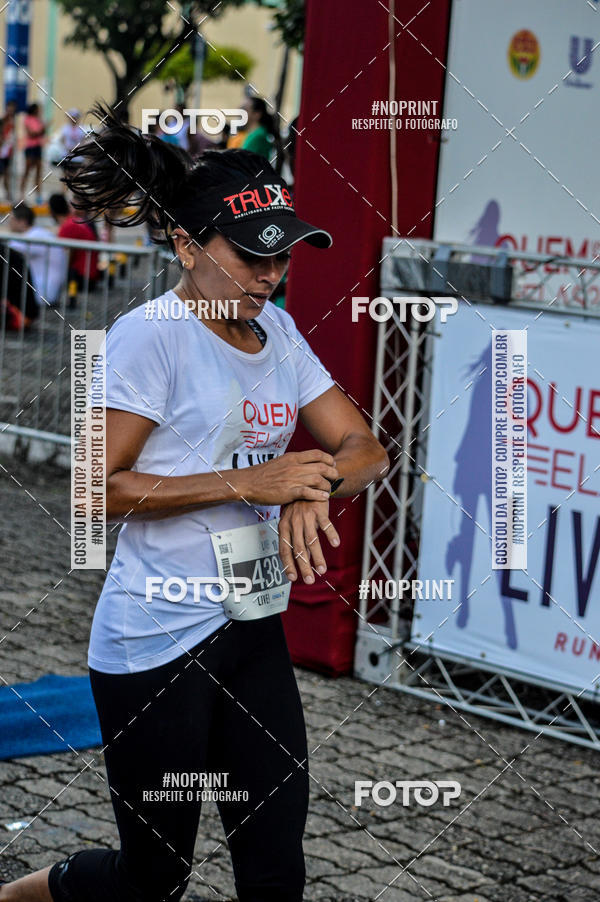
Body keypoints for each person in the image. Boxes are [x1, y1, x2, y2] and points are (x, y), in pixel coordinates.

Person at [0, 101, 389, 902]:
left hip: (251, 623)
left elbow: (365, 447)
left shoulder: (279, 333)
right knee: (155, 878)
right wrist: (253, 482)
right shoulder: (152, 335)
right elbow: (94, 489)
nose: (271, 275)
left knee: (276, 867)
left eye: (281, 256)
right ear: (186, 245)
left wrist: (312, 485)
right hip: (156, 640)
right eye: (251, 256)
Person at [7, 204, 68, 307]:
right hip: (48, 291)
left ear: (22, 221)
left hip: (43, 294)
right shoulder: (39, 233)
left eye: (12, 219)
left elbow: (7, 248)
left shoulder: (34, 236)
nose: (9, 222)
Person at [48, 193, 99, 303]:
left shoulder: (68, 226)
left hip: (82, 279)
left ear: (52, 211)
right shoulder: (74, 220)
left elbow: (64, 257)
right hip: (90, 276)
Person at [20, 103, 46, 202]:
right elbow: (31, 134)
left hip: (38, 147)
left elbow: (42, 132)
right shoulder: (27, 119)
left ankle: (38, 195)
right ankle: (22, 193)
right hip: (30, 147)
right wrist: (40, 130)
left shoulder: (38, 120)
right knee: (27, 171)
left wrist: (41, 129)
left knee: (38, 172)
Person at [241, 96, 277, 160]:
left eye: (244, 109)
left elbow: (243, 161)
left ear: (257, 114)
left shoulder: (258, 136)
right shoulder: (255, 134)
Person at [0, 100, 17, 201]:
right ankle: (8, 194)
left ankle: (8, 194)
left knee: (7, 174)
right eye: (9, 109)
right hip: (2, 151)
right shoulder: (3, 120)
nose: (11, 111)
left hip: (8, 152)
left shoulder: (14, 121)